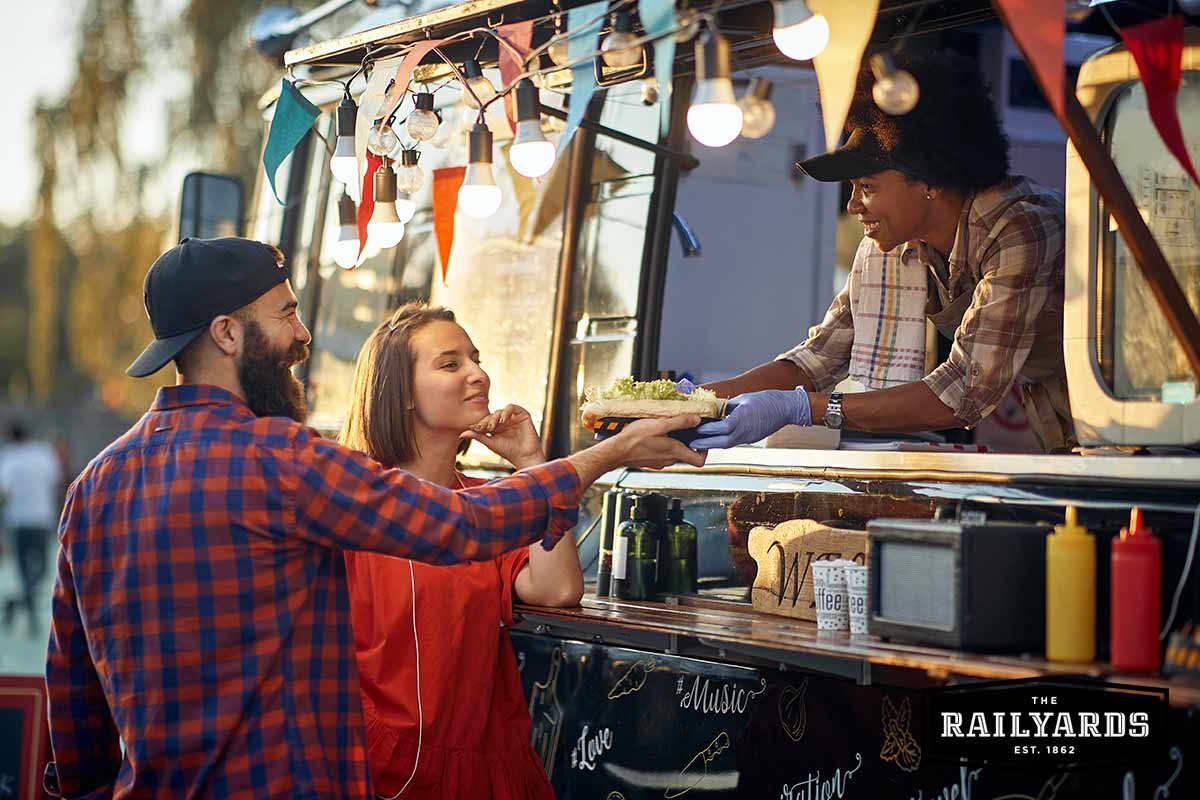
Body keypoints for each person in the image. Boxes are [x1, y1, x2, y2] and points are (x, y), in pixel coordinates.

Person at [44, 237, 705, 800]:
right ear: (227, 333)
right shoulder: (279, 458)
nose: (303, 335)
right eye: (286, 314)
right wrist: (609, 452)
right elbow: (464, 527)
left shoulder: (92, 488)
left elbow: (71, 701)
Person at [690, 50, 1072, 454]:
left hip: (1110, 409)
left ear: (931, 181)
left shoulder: (1021, 228)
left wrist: (801, 409)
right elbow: (819, 358)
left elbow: (964, 391)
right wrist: (698, 400)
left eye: (867, 187)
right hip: (1053, 418)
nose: (853, 204)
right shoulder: (892, 246)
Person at [340, 303, 580, 799]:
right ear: (400, 393)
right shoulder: (352, 502)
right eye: (450, 364)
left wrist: (532, 464)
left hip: (484, 771)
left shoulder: (487, 501)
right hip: (380, 770)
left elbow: (557, 588)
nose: (478, 374)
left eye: (476, 359)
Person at [0, 421, 63, 635]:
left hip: (18, 521)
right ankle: (31, 617)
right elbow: (56, 483)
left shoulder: (9, 457)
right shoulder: (44, 454)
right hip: (41, 519)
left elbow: (4, 492)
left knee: (24, 572)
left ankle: (15, 604)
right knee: (43, 570)